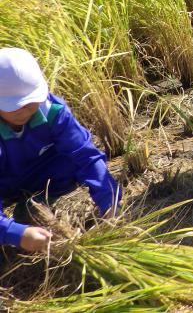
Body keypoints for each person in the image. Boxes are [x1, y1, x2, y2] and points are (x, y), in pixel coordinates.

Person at [0, 48, 121, 253]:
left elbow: (86, 157)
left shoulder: (53, 112)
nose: (27, 109)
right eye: (16, 105)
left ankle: (35, 205)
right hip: (4, 182)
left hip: (46, 177)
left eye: (31, 101)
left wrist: (109, 199)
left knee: (72, 162)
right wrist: (15, 233)